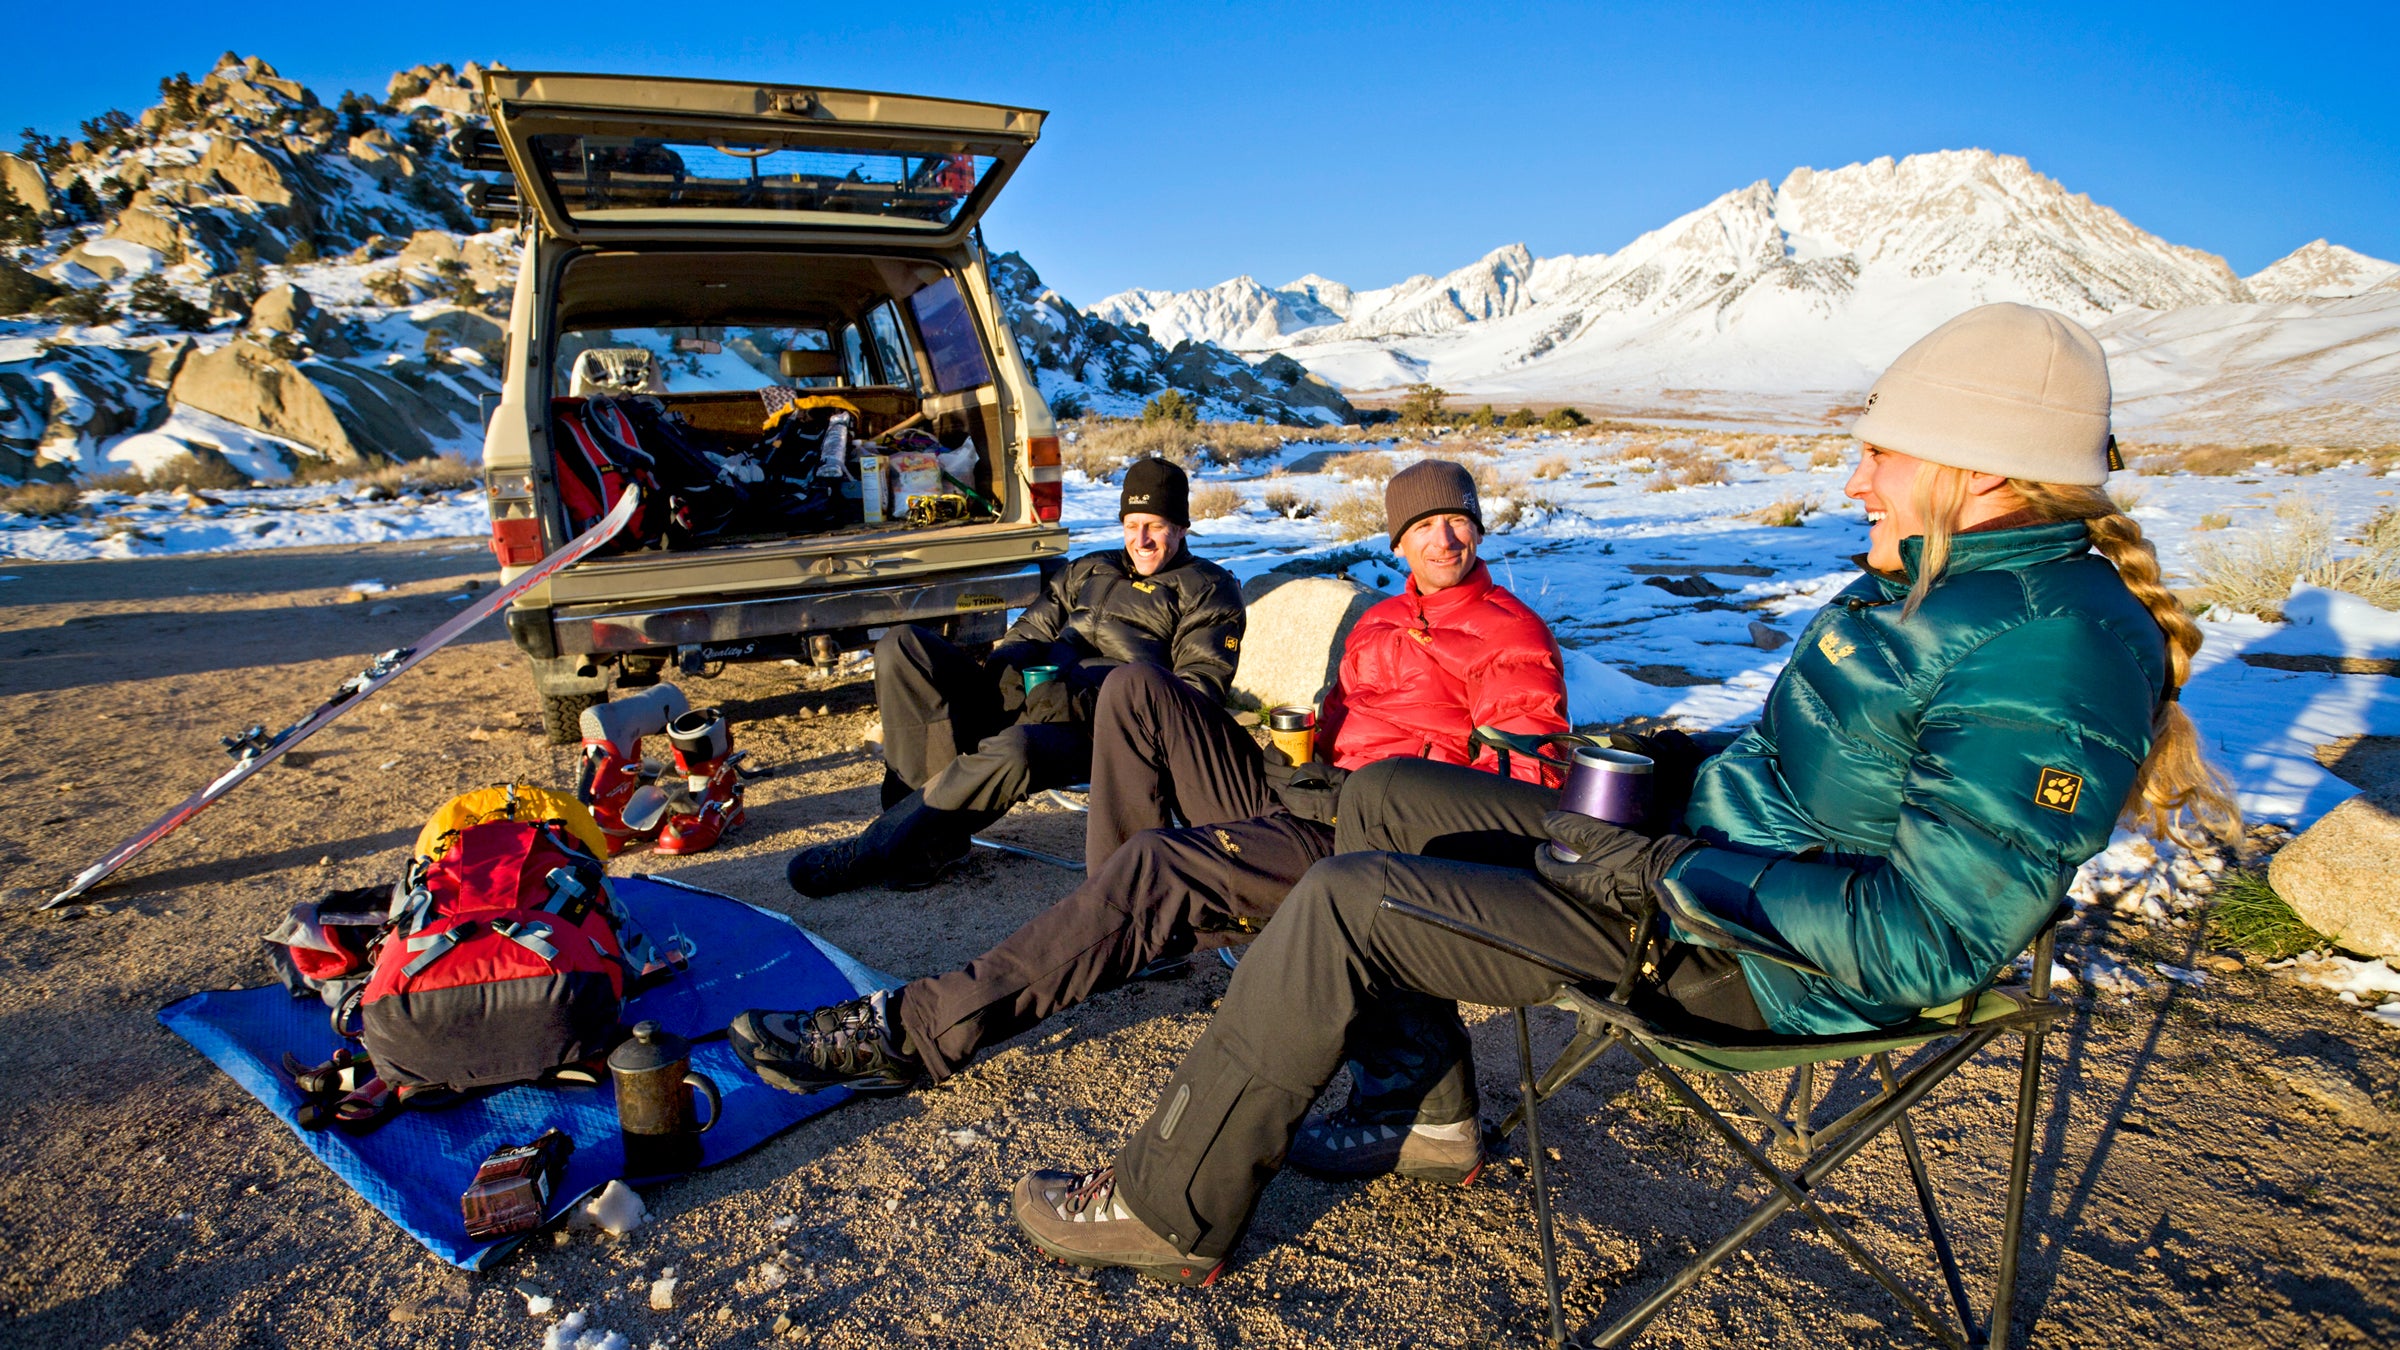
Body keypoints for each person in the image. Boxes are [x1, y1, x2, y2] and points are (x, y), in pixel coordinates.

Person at [1000, 301, 2242, 1287]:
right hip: (1699, 864)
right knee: (1387, 800)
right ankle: (1426, 1116)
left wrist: (1655, 872)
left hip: (1746, 952)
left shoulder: (2050, 649)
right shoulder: (1945, 576)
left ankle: (1170, 1207)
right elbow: (1814, 773)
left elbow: (1932, 937)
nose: (1857, 482)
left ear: (1979, 469)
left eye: (1881, 451)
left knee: (1343, 899)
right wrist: (1671, 768)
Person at [732, 460, 1574, 1145]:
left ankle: (913, 1032)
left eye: (1456, 519)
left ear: (1479, 525)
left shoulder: (1511, 633)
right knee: (1138, 688)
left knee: (1153, 845)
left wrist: (1379, 788)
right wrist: (1303, 751)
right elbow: (1337, 726)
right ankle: (1123, 914)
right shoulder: (1383, 620)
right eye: (1422, 525)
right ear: (1398, 541)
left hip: (1374, 836)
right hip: (1313, 795)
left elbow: (1519, 793)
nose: (1443, 537)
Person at [786, 457, 1244, 893]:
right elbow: (1025, 634)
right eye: (1131, 526)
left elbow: (1192, 696)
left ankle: (872, 849)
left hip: (1097, 730)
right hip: (1030, 698)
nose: (1141, 540)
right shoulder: (1089, 568)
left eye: (1155, 527)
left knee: (1014, 750)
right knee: (902, 647)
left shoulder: (1208, 590)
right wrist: (1013, 672)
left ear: (1181, 528)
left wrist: (1074, 697)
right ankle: (925, 840)